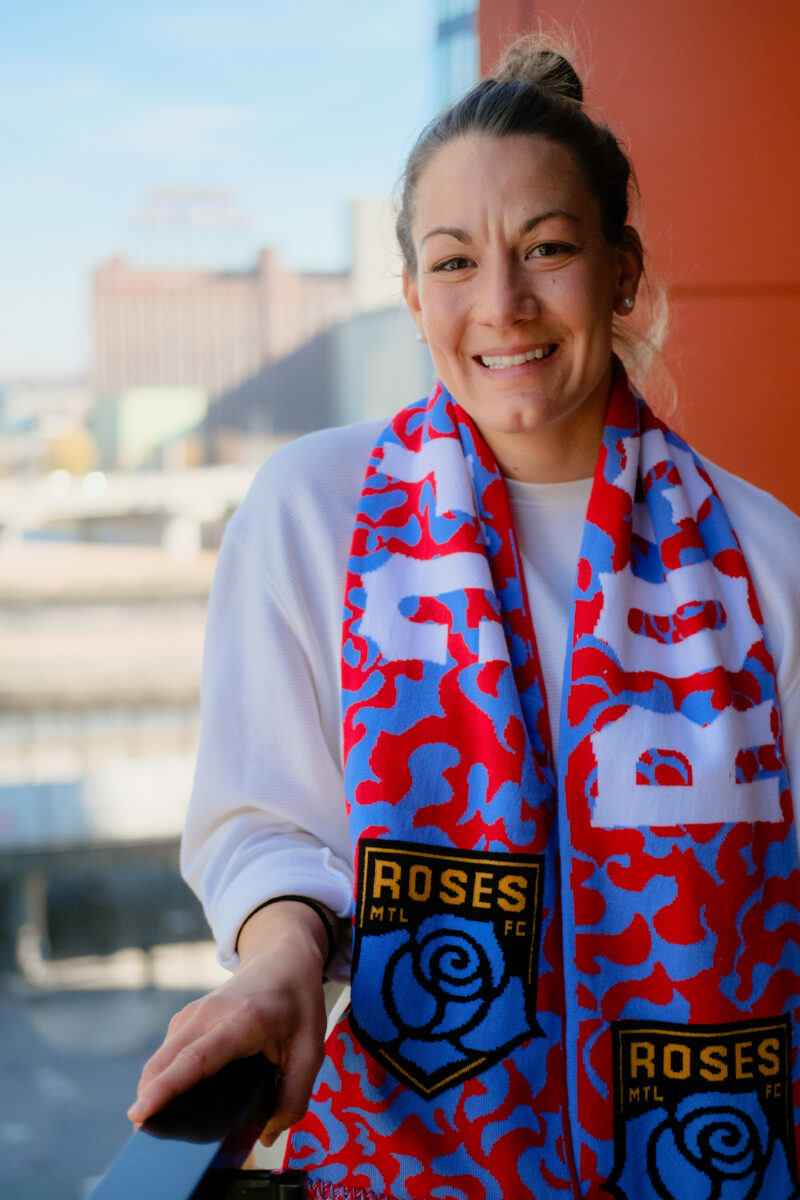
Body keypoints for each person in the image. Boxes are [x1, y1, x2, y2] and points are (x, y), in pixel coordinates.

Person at [129, 34, 800, 1200]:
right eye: (452, 264)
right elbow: (266, 820)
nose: (501, 304)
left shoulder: (765, 558)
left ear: (621, 271)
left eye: (546, 248)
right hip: (408, 1167)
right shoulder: (310, 513)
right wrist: (280, 962)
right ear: (410, 296)